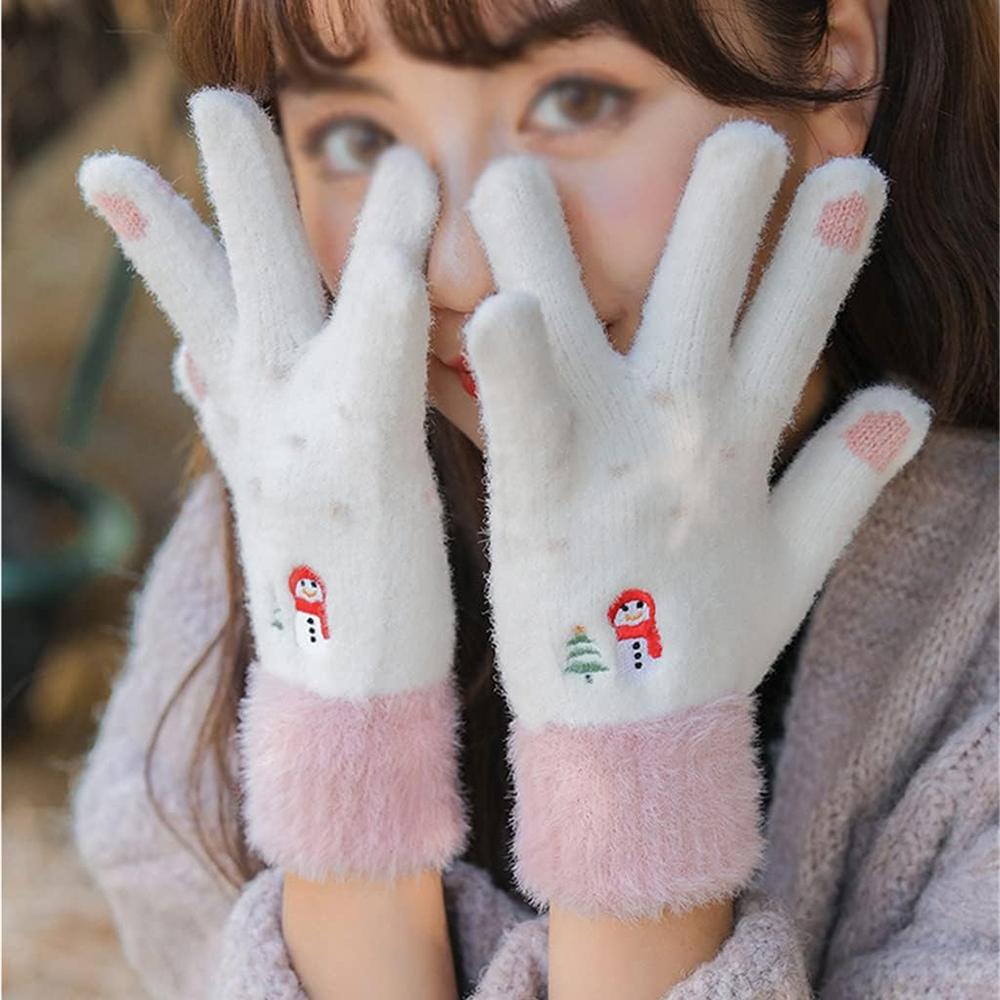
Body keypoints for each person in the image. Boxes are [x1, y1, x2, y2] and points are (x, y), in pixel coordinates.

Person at [71, 1, 998, 997]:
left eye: (576, 101)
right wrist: (343, 736)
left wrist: (638, 759)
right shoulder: (289, 526)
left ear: (834, 67)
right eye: (359, 137)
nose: (460, 270)